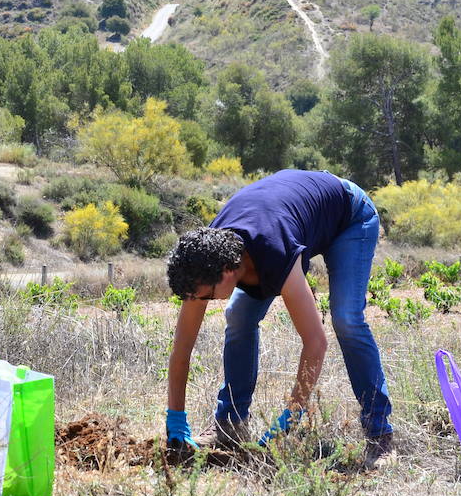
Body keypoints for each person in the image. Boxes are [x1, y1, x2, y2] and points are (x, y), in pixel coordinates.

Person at [163, 169, 393, 460]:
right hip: (291, 213)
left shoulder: (274, 249)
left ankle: (379, 432)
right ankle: (230, 424)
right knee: (238, 316)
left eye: (205, 295)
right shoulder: (205, 257)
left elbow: (315, 341)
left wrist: (290, 418)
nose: (200, 302)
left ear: (228, 272)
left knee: (346, 319)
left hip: (349, 215)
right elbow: (182, 349)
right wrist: (175, 417)